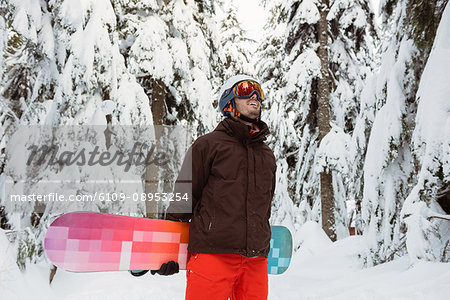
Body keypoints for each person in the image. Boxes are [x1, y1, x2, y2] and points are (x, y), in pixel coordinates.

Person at [135, 75, 276, 300]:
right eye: (246, 89)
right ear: (229, 101)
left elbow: (264, 208)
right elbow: (183, 199)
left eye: (258, 92)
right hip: (212, 255)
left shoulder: (266, 155)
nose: (255, 96)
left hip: (255, 261)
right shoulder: (207, 145)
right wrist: (166, 250)